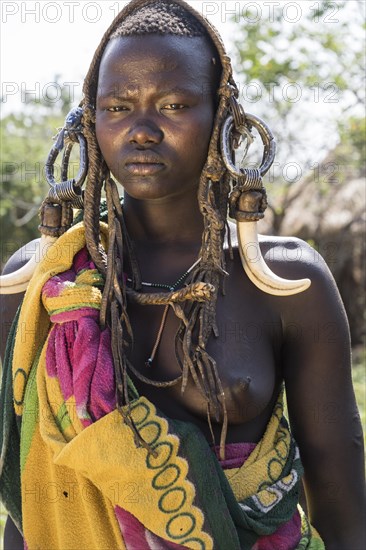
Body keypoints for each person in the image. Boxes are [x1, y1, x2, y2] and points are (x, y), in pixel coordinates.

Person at [0, 0, 365, 548]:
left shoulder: (285, 284)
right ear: (89, 121)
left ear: (222, 116)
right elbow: (34, 499)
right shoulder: (41, 284)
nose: (142, 130)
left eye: (172, 104)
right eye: (117, 107)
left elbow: (343, 512)